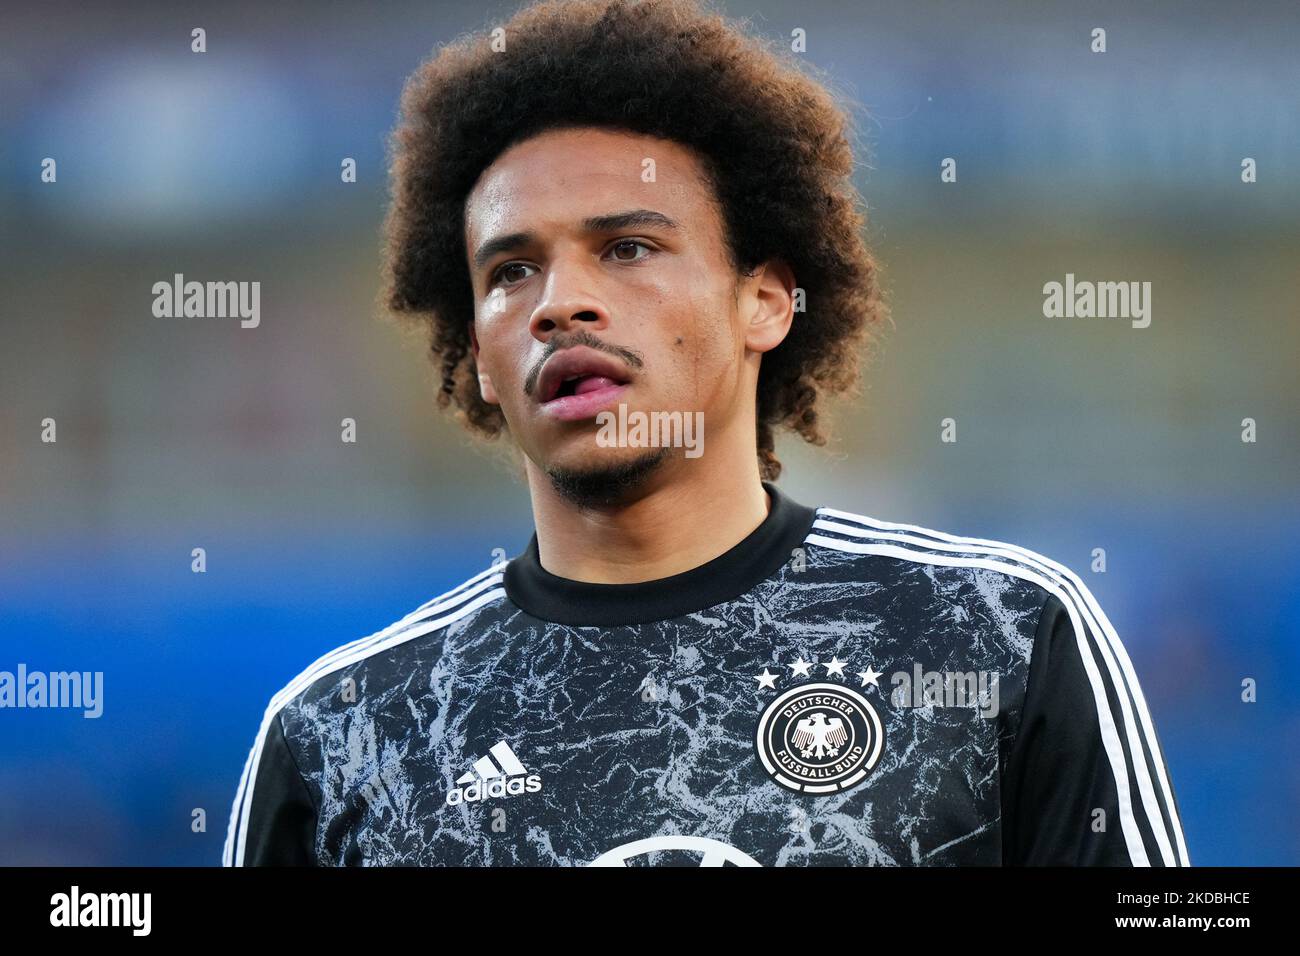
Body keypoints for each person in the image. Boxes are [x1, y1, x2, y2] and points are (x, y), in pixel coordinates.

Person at [223, 0, 1188, 867]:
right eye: (512, 271)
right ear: (476, 351)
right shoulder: (344, 734)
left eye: (628, 248)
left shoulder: (1000, 635)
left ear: (764, 301)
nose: (563, 304)